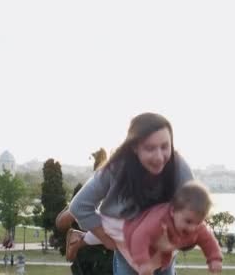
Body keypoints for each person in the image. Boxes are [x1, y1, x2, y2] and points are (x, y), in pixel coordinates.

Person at [57, 112, 195, 275]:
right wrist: (108, 241)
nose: (159, 157)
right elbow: (80, 206)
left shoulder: (179, 168)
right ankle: (77, 232)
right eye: (150, 148)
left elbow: (191, 217)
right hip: (126, 243)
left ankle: (80, 237)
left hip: (164, 250)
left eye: (165, 146)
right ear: (134, 148)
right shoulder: (117, 168)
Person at [66, 181, 222, 274]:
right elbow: (139, 238)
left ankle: (80, 238)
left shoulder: (193, 222)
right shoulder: (156, 222)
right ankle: (79, 238)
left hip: (162, 253)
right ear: (173, 212)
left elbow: (208, 240)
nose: (194, 228)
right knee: (111, 232)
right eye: (189, 222)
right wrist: (143, 263)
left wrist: (214, 257)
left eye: (198, 222)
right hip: (132, 234)